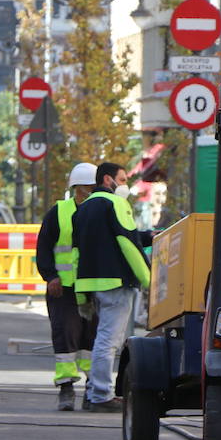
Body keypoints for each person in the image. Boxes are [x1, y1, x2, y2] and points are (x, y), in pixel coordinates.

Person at [73, 161, 151, 412]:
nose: (125, 185)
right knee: (109, 340)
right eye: (123, 179)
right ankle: (101, 395)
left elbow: (77, 253)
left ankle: (96, 392)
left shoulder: (81, 210)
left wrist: (80, 293)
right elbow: (129, 244)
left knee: (102, 338)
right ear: (108, 180)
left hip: (91, 282)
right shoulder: (116, 204)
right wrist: (148, 279)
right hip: (116, 282)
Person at [35, 162, 99, 411]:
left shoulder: (102, 211)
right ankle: (66, 388)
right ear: (78, 188)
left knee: (93, 338)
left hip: (94, 286)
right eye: (89, 187)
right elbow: (43, 248)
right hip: (64, 289)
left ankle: (94, 388)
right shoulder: (59, 212)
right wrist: (50, 277)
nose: (92, 191)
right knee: (66, 335)